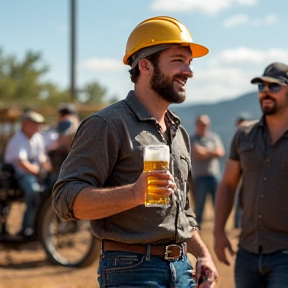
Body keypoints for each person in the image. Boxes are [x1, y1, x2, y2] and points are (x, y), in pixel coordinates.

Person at [52, 16, 218, 287]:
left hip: (182, 269)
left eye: (189, 63)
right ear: (145, 65)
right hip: (131, 272)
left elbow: (182, 211)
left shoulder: (179, 132)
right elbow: (65, 199)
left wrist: (203, 254)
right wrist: (134, 194)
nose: (188, 71)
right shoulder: (107, 124)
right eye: (178, 60)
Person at [213, 61, 288, 288]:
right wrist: (218, 232)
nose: (266, 92)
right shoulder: (243, 135)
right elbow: (227, 184)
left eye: (274, 87)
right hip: (247, 252)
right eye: (261, 87)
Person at [4, 110, 52, 237]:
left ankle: (40, 228)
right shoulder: (18, 139)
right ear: (26, 124)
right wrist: (39, 171)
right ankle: (27, 228)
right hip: (17, 176)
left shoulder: (37, 137)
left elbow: (41, 157)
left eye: (39, 123)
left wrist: (47, 167)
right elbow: (22, 163)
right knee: (33, 192)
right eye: (35, 123)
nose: (38, 126)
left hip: (33, 174)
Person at [190, 115, 225, 227]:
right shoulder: (192, 139)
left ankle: (219, 228)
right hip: (199, 178)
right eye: (201, 124)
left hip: (214, 176)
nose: (203, 126)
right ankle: (197, 229)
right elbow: (197, 153)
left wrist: (206, 152)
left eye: (205, 124)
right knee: (199, 206)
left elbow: (220, 152)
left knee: (219, 205)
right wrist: (212, 152)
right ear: (196, 125)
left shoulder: (214, 137)